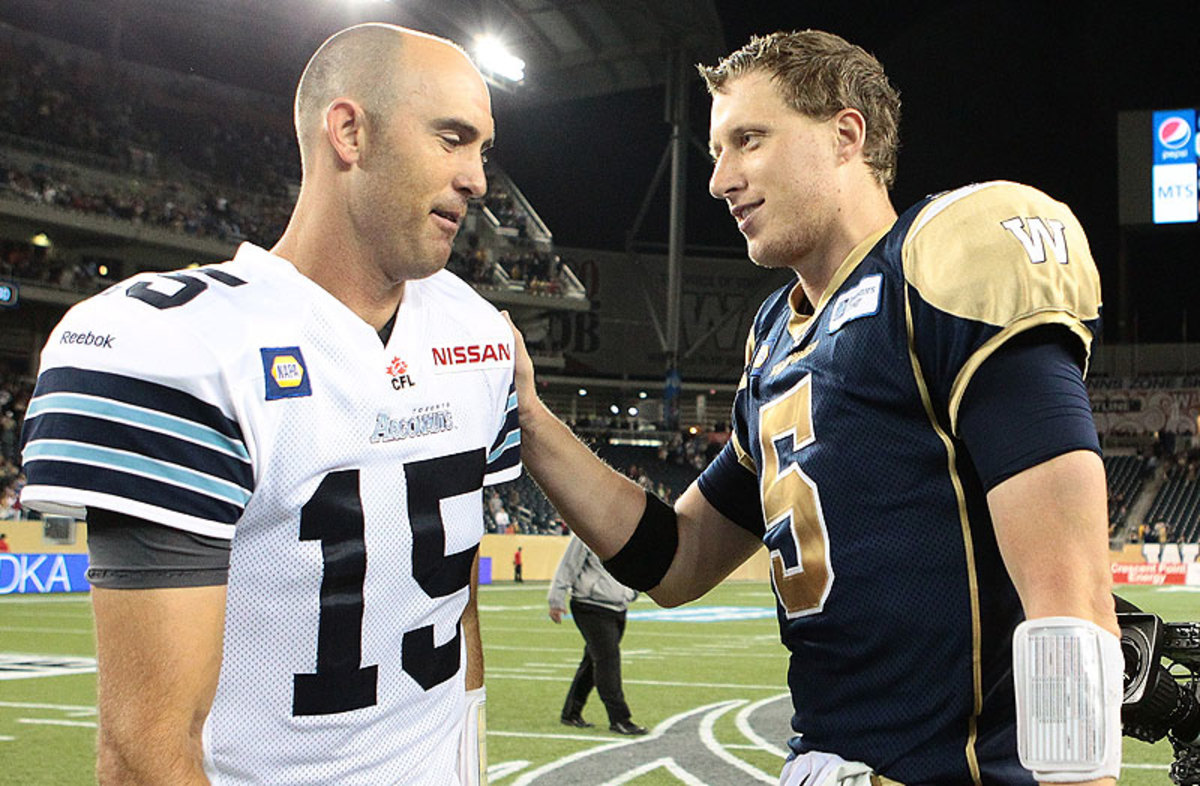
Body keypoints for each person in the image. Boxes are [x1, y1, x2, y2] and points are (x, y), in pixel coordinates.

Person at [507, 29, 1119, 786]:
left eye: (749, 140)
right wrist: (532, 421)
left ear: (845, 136)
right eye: (716, 152)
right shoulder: (776, 336)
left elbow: (1073, 600)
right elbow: (678, 560)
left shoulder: (943, 266)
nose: (719, 179)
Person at [19, 23, 518, 786]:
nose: (478, 178)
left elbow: (455, 594)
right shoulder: (181, 345)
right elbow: (145, 749)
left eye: (481, 149)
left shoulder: (479, 335)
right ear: (349, 132)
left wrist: (469, 755)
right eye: (452, 139)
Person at [547, 534, 646, 736]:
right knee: (608, 660)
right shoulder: (587, 529)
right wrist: (556, 599)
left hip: (617, 607)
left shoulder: (631, 529)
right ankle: (619, 718)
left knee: (593, 659)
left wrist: (632, 592)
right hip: (589, 605)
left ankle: (571, 712)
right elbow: (569, 564)